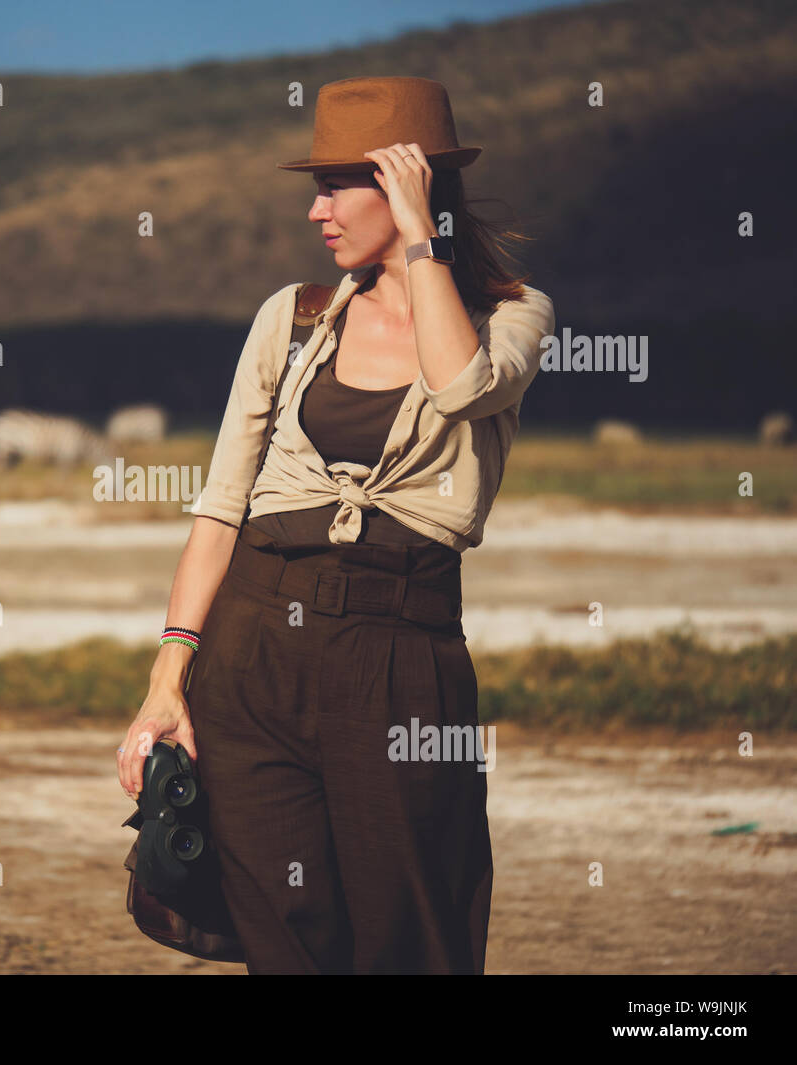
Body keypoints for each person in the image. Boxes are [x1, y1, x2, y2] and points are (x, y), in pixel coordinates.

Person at [116, 76, 555, 974]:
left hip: (399, 656)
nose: (316, 212)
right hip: (253, 653)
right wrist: (168, 680)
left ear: (408, 183)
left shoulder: (512, 316)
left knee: (411, 931)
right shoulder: (292, 317)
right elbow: (220, 507)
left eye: (335, 187)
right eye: (315, 189)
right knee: (285, 936)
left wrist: (423, 241)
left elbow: (459, 386)